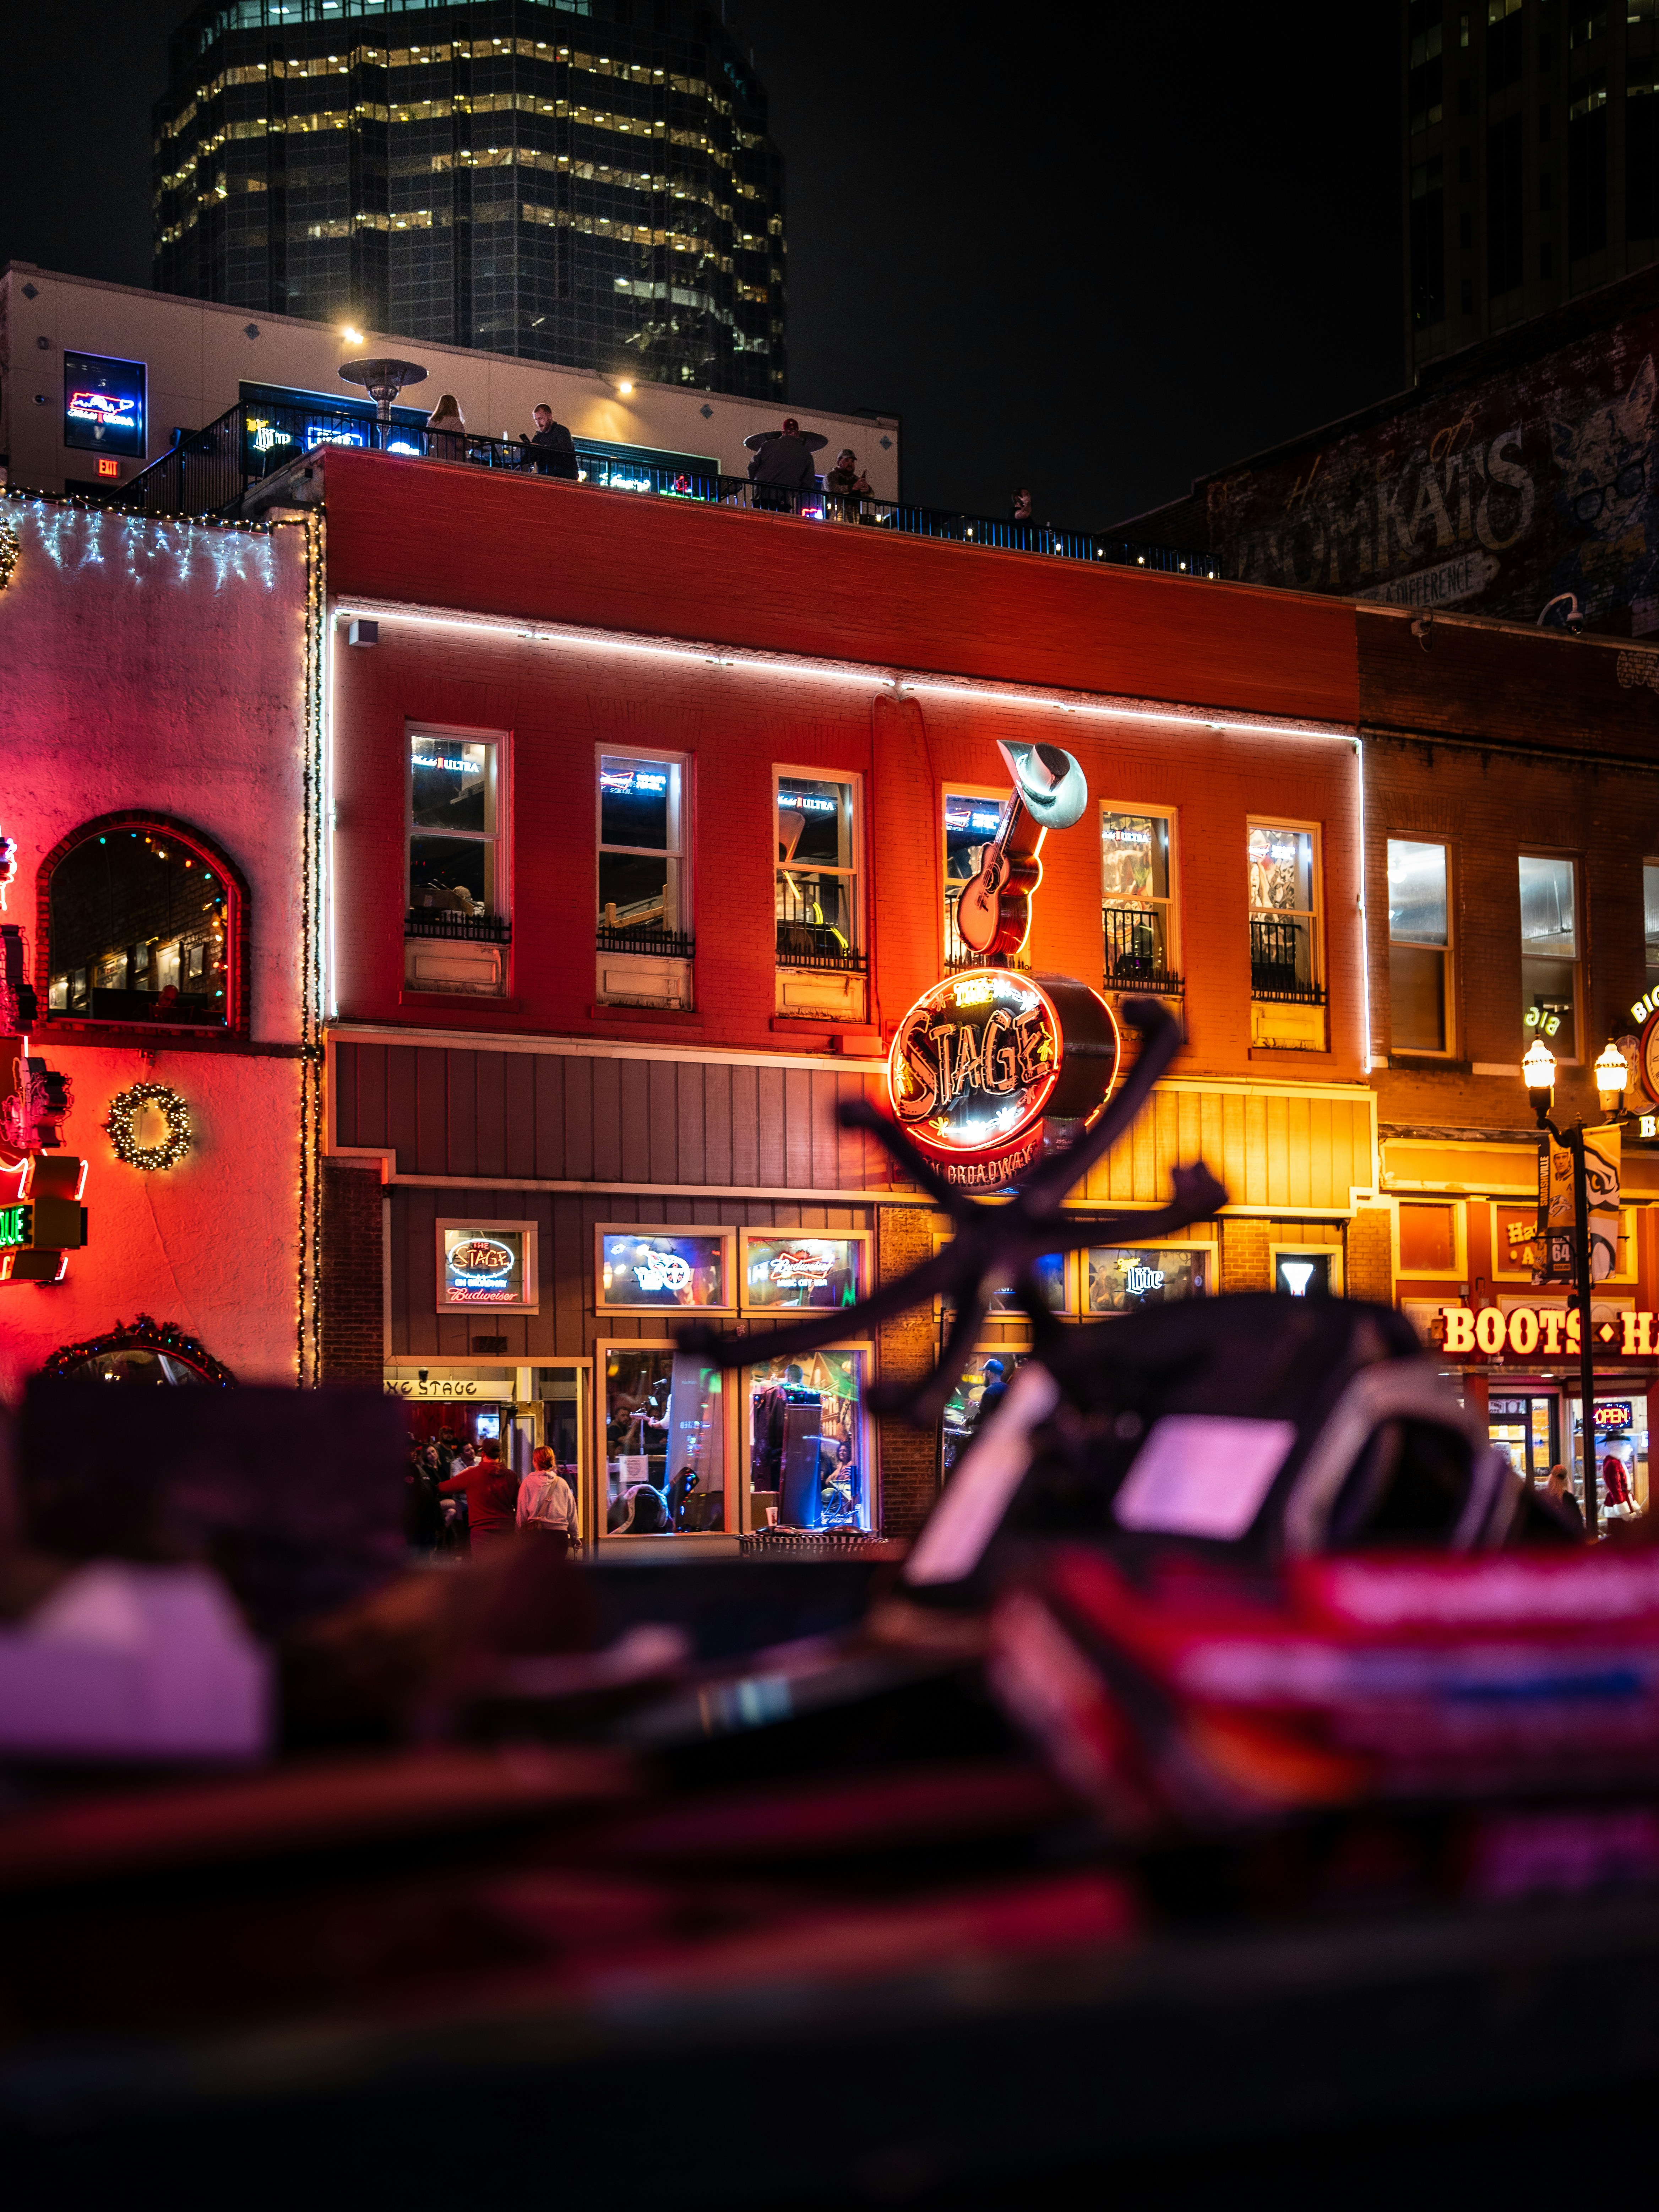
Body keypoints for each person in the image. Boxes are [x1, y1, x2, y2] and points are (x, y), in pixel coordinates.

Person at [440, 1438, 518, 1554]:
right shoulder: (512, 1476)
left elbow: (443, 1488)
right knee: (505, 1570)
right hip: (506, 1530)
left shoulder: (472, 1474)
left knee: (483, 1571)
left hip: (482, 1532)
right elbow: (519, 1503)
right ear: (501, 1454)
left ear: (483, 1454)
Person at [747, 418, 820, 508]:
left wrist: (757, 485)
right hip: (785, 498)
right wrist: (793, 492)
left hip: (761, 495)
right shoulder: (806, 454)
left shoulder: (767, 445)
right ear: (798, 434)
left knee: (760, 521)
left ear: (783, 432)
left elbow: (752, 467)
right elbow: (809, 482)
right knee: (782, 521)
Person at [518, 1444, 577, 1554]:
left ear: (535, 1462)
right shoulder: (562, 1484)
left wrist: (518, 1535)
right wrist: (575, 1537)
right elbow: (572, 1513)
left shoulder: (527, 1483)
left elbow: (521, 1514)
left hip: (535, 1537)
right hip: (559, 1538)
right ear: (552, 1461)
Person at [522, 403, 579, 480]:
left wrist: (542, 449)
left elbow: (566, 446)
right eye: (536, 420)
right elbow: (531, 457)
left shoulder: (561, 430)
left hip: (564, 476)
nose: (538, 423)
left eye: (541, 419)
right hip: (545, 475)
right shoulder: (539, 436)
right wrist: (527, 449)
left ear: (550, 416)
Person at [826, 447, 872, 520]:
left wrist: (867, 490)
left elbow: (871, 496)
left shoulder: (856, 480)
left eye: (852, 461)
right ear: (839, 463)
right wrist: (853, 488)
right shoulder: (831, 476)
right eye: (847, 460)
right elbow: (833, 489)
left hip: (853, 523)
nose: (850, 464)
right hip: (834, 521)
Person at [1543, 1461, 1586, 1536]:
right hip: (1567, 1542)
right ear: (1566, 1480)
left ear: (1551, 1478)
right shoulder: (1569, 1498)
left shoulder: (1544, 1497)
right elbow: (1578, 1521)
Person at [426, 392, 465, 461]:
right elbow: (459, 444)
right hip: (451, 461)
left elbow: (427, 441)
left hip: (433, 459)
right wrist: (474, 445)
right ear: (455, 407)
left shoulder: (432, 422)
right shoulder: (455, 421)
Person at [975, 1357, 1008, 1428]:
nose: (983, 1375)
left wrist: (969, 1421)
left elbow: (982, 1417)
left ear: (989, 1373)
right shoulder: (1008, 1388)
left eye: (984, 1372)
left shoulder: (989, 1392)